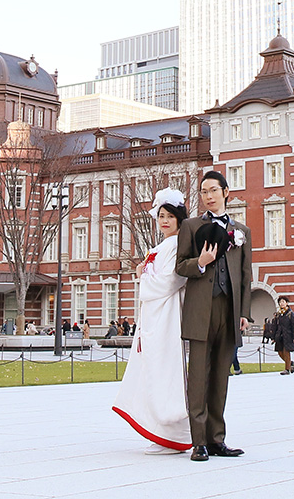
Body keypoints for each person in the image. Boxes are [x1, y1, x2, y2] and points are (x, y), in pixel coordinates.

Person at [175, 170, 252, 462]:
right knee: (198, 379)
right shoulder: (190, 226)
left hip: (228, 310)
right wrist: (202, 262)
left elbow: (246, 275)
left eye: (212, 191)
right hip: (199, 310)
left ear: (225, 192)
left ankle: (217, 439)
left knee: (221, 378)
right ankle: (199, 443)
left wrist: (244, 312)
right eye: (203, 192)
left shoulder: (242, 231)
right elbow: (180, 267)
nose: (208, 196)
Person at [112, 188, 192, 454]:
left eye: (170, 216)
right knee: (154, 371)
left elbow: (173, 280)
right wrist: (143, 274)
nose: (165, 221)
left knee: (166, 371)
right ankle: (160, 433)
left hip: (167, 317)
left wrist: (143, 277)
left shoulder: (179, 244)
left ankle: (174, 433)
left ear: (179, 218)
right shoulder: (162, 246)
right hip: (154, 317)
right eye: (161, 216)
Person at [271, 296, 294, 375]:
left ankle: (287, 369)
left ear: (287, 303)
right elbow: (274, 326)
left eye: (283, 302)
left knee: (286, 352)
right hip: (279, 335)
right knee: (280, 352)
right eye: (280, 302)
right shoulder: (278, 314)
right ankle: (290, 363)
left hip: (288, 335)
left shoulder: (290, 314)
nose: (281, 303)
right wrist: (273, 337)